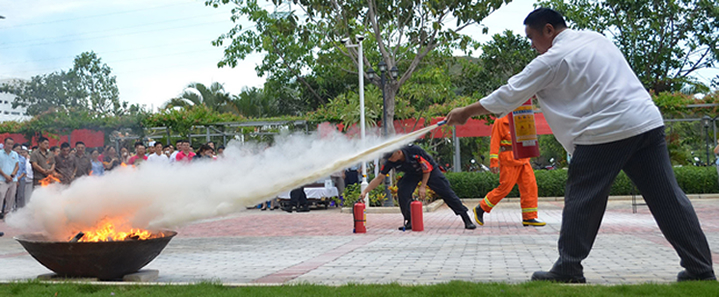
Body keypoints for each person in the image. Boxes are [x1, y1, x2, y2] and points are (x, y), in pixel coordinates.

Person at [445, 8, 715, 283]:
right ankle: (700, 268)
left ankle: (569, 267)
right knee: (668, 198)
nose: (532, 45)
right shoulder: (597, 39)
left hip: (603, 132)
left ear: (549, 30)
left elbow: (510, 94)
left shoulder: (552, 59)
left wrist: (466, 111)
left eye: (531, 38)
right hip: (646, 122)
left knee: (582, 199)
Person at [361, 144, 476, 230]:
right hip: (412, 173)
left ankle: (466, 219)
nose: (390, 160)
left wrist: (423, 186)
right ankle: (410, 220)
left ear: (399, 152)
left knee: (447, 193)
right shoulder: (390, 161)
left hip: (430, 171)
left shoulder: (413, 151)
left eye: (391, 157)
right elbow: (379, 178)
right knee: (403, 191)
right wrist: (365, 191)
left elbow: (427, 169)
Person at [474, 114, 545, 227]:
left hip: (523, 159)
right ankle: (481, 208)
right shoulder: (500, 121)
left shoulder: (522, 118)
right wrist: (493, 162)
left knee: (530, 186)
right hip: (509, 159)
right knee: (505, 188)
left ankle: (529, 217)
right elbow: (494, 141)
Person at [0, 138, 19, 218]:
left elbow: (17, 166)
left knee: (11, 197)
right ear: (5, 144)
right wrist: (5, 176)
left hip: (12, 180)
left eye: (11, 144)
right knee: (1, 195)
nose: (10, 145)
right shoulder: (0, 153)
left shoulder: (15, 154)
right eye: (8, 143)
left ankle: (7, 213)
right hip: (2, 179)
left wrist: (12, 175)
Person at [12, 144, 27, 209]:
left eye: (19, 149)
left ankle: (19, 210)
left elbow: (24, 170)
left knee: (20, 195)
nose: (18, 151)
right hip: (12, 179)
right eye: (17, 149)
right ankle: (11, 209)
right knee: (12, 195)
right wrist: (15, 178)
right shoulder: (11, 157)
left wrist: (19, 177)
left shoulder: (22, 158)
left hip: (21, 179)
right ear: (13, 149)